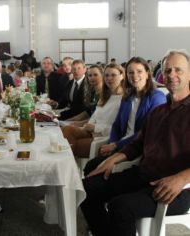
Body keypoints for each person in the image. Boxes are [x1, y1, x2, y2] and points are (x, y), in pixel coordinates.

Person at [80, 50, 190, 236]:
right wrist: (112, 159)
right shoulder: (158, 112)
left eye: (178, 70)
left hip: (176, 188)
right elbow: (138, 144)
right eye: (168, 70)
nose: (172, 75)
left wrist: (181, 178)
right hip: (144, 174)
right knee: (85, 188)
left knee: (121, 207)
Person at [83, 57, 167, 175]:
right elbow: (117, 124)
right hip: (120, 145)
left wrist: (116, 145)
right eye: (130, 72)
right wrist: (112, 143)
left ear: (147, 73)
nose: (134, 75)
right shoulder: (128, 97)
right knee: (90, 166)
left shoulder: (156, 97)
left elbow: (147, 132)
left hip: (137, 149)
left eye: (139, 71)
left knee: (94, 172)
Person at [62, 63, 124, 158]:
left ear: (122, 76)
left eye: (113, 75)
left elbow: (120, 129)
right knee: (67, 130)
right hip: (92, 132)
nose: (109, 78)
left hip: (105, 137)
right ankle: (67, 164)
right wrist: (86, 126)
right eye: (106, 75)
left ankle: (66, 165)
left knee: (69, 145)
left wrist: (95, 128)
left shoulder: (124, 100)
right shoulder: (105, 96)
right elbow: (94, 116)